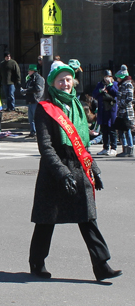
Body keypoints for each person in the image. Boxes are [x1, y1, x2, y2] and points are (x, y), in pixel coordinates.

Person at [29, 61, 121, 282]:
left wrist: (94, 170)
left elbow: (83, 145)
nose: (65, 83)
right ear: (53, 83)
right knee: (46, 219)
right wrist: (62, 173)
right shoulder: (45, 108)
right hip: (55, 170)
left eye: (68, 79)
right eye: (61, 80)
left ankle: (101, 265)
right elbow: (46, 147)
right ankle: (37, 262)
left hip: (79, 167)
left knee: (88, 217)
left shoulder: (78, 106)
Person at [92, 70, 118, 156]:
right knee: (104, 130)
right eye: (106, 76)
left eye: (109, 76)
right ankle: (105, 147)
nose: (107, 78)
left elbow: (116, 93)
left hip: (111, 110)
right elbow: (94, 94)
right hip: (102, 110)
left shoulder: (114, 84)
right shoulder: (100, 84)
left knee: (112, 130)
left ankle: (113, 148)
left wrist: (110, 85)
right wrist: (100, 90)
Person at [114, 65, 135, 157]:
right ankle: (124, 148)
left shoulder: (128, 84)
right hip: (121, 111)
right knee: (121, 130)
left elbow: (130, 98)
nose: (117, 79)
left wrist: (121, 103)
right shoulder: (122, 84)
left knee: (127, 130)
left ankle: (129, 149)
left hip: (126, 111)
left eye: (118, 78)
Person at [20, 64, 45, 138]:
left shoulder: (38, 78)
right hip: (30, 100)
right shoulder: (30, 78)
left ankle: (38, 132)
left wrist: (26, 91)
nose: (28, 72)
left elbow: (38, 89)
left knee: (36, 118)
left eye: (29, 70)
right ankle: (32, 132)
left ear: (33, 71)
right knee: (31, 118)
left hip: (36, 100)